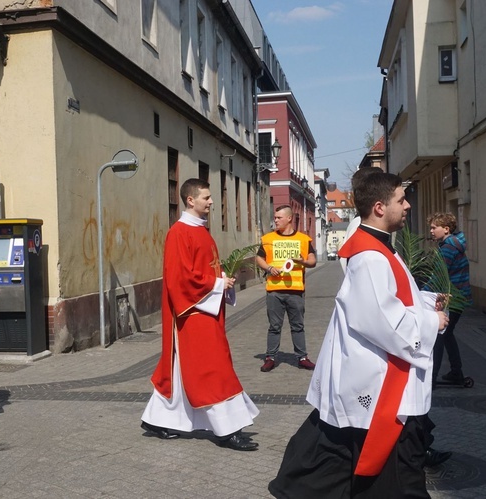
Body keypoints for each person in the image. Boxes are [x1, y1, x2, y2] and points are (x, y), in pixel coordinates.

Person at [269, 172, 450, 498]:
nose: (408, 206)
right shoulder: (370, 256)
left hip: (379, 377)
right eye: (401, 200)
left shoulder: (381, 248)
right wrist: (430, 322)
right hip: (379, 381)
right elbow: (379, 319)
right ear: (380, 207)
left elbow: (391, 299)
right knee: (387, 475)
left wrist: (424, 301)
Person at [141, 178, 259, 451]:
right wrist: (217, 284)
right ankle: (226, 430)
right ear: (190, 200)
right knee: (212, 370)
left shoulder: (202, 231)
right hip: (192, 313)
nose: (211, 202)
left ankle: (159, 419)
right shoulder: (179, 233)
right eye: (206, 197)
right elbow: (179, 278)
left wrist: (222, 280)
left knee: (187, 370)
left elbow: (205, 269)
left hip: (204, 309)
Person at [255, 205, 317, 372]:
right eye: (275, 217)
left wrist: (301, 261)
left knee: (297, 325)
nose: (275, 220)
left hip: (296, 290)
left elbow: (312, 261)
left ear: (289, 218)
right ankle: (270, 357)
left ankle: (302, 357)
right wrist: (268, 268)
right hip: (274, 290)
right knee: (274, 326)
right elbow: (259, 258)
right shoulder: (268, 239)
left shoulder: (303, 240)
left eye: (279, 217)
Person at [427, 212, 473, 384]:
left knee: (440, 334)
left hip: (452, 298)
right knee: (447, 334)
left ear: (446, 229)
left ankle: (431, 379)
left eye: (434, 227)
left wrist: (421, 293)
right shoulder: (452, 244)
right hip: (457, 297)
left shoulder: (448, 248)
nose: (431, 231)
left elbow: (439, 275)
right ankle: (456, 372)